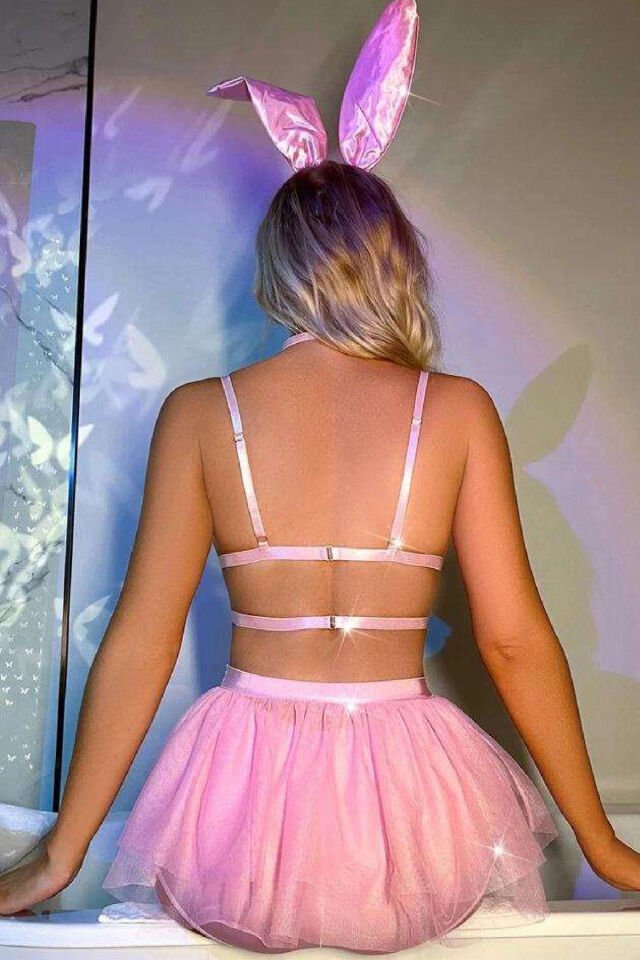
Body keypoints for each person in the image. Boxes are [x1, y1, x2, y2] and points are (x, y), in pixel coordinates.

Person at [2, 0, 639, 951]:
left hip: (239, 809)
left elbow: (140, 641)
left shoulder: (200, 413)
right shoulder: (457, 410)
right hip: (411, 815)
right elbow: (513, 642)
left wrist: (63, 853)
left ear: (277, 271)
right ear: (397, 265)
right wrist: (603, 844)